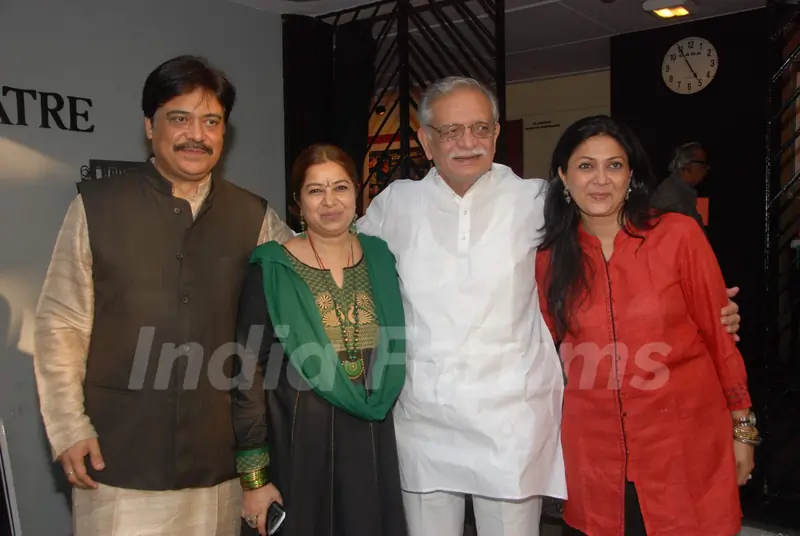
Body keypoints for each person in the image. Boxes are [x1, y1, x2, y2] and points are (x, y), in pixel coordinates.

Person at [357, 77, 743, 536]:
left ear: (497, 134)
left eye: (481, 128)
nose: (467, 143)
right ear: (425, 139)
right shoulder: (395, 205)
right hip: (424, 415)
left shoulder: (536, 200)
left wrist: (705, 309)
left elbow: (609, 253)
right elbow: (336, 258)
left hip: (513, 417)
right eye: (450, 131)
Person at [33, 55, 293, 535]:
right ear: (150, 126)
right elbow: (61, 324)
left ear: (224, 132)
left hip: (219, 466)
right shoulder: (97, 206)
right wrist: (69, 426)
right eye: (180, 118)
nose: (197, 134)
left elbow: (304, 287)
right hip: (119, 463)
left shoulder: (254, 217)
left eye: (211, 121)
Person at [536, 115, 757, 536]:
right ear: (563, 176)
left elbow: (719, 337)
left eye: (614, 165)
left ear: (631, 174)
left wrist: (743, 427)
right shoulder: (548, 260)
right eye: (585, 166)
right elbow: (538, 346)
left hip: (683, 439)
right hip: (594, 452)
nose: (601, 179)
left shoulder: (677, 235)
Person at [232, 144, 408, 536]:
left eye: (340, 188)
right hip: (297, 447)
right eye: (315, 190)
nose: (330, 202)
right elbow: (247, 374)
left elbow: (392, 349)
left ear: (358, 193)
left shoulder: (381, 259)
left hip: (371, 443)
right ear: (296, 202)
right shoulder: (272, 267)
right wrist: (254, 479)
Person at [650, 141, 710, 228]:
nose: (707, 168)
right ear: (689, 166)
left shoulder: (682, 192)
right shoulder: (672, 197)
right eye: (703, 164)